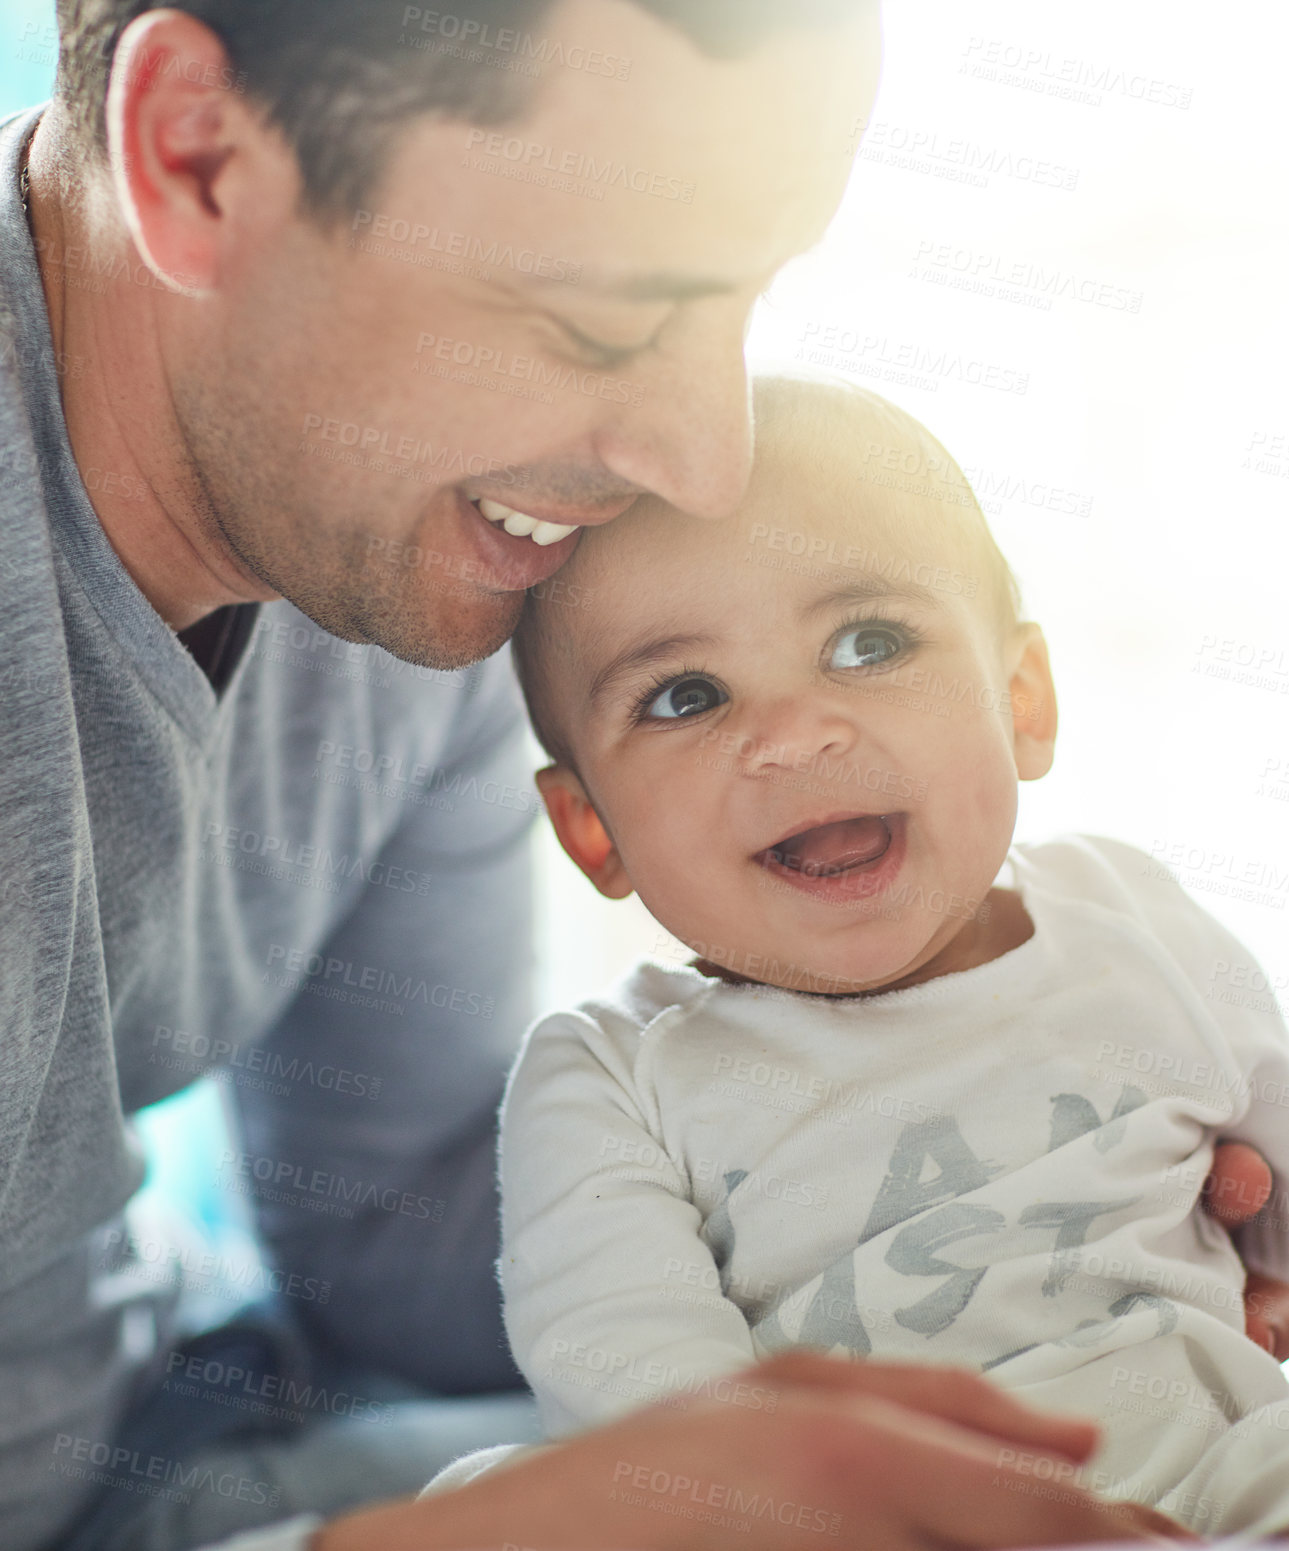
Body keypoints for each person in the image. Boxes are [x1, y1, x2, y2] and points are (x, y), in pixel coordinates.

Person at [0, 0, 1282, 1546]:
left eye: (743, 301)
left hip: (200, 1426)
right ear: (197, 156)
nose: (702, 459)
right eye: (607, 322)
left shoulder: (414, 555)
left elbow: (385, 1216)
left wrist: (1035, 1211)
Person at [462, 374, 1289, 1539]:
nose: (792, 730)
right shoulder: (608, 1078)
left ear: (1021, 700)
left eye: (867, 642)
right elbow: (651, 1414)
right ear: (592, 828)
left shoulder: (1131, 917)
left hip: (1223, 1470)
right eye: (684, 695)